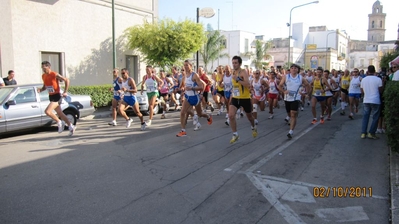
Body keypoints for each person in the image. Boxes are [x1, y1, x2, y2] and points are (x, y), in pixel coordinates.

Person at [37, 61, 76, 136]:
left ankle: (59, 122)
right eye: (42, 67)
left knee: (48, 112)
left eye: (44, 67)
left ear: (48, 67)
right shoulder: (43, 76)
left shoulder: (54, 74)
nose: (43, 69)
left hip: (57, 96)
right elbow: (45, 86)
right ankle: (71, 126)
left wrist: (65, 91)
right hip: (51, 96)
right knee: (60, 113)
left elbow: (67, 80)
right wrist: (41, 90)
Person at [176, 60, 212, 137]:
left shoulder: (194, 75)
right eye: (184, 65)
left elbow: (201, 86)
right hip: (187, 97)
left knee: (200, 114)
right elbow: (183, 87)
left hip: (195, 98)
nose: (185, 67)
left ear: (191, 66)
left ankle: (208, 117)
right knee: (182, 112)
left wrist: (192, 88)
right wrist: (180, 90)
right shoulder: (184, 76)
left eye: (187, 65)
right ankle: (183, 131)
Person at [228, 56, 257, 144]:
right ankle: (235, 134)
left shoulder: (243, 72)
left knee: (249, 117)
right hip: (235, 97)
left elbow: (247, 83)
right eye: (233, 63)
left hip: (245, 98)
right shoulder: (233, 72)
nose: (234, 64)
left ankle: (253, 127)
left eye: (236, 63)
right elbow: (234, 86)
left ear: (240, 64)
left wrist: (237, 79)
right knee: (231, 115)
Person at [279, 64, 310, 139]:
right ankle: (292, 116)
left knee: (293, 114)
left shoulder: (300, 78)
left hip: (296, 98)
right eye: (292, 68)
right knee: (289, 114)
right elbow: (280, 86)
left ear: (298, 70)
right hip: (287, 98)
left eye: (295, 68)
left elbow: (308, 85)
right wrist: (284, 91)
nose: (293, 69)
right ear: (290, 69)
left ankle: (291, 131)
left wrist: (306, 93)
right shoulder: (286, 77)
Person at [360, 65, 383, 139]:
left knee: (365, 117)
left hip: (366, 100)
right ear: (374, 71)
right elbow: (380, 90)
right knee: (375, 117)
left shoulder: (363, 79)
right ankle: (371, 133)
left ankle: (363, 133)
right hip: (375, 100)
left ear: (368, 71)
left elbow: (362, 91)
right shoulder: (378, 79)